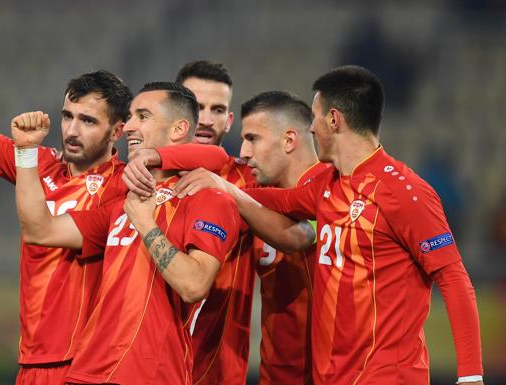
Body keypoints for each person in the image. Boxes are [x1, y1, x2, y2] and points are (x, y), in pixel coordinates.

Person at [0, 21, 228, 385]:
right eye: (67, 116)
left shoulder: (126, 185)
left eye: (88, 121)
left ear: (117, 131)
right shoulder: (37, 164)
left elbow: (215, 159)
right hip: (32, 360)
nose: (72, 130)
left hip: (86, 361)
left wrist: (155, 157)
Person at [178, 66, 484, 385]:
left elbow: (454, 279)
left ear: (334, 120)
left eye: (315, 117)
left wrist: (471, 376)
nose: (311, 128)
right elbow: (279, 200)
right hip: (334, 377)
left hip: (386, 376)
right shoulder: (327, 184)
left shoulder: (405, 191)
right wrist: (217, 183)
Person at [12, 82, 243, 385]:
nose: (130, 125)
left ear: (178, 129)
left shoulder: (208, 199)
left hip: (150, 374)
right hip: (86, 374)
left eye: (142, 117)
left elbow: (193, 284)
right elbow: (40, 230)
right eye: (131, 116)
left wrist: (146, 224)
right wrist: (26, 152)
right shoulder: (122, 204)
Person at [176, 60, 259, 385]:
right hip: (147, 366)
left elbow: (300, 233)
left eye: (217, 109)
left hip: (218, 371)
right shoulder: (142, 178)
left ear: (230, 120)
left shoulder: (252, 180)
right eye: (197, 107)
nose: (206, 120)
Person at [239, 91, 328, 385]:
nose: (244, 151)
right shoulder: (256, 200)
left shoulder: (336, 187)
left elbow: (300, 235)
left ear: (289, 140)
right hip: (275, 376)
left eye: (253, 139)